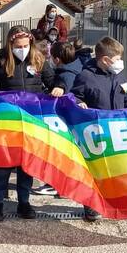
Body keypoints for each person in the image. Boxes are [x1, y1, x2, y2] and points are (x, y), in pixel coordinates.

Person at [0, 25, 65, 223]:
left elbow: (53, 80)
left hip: (31, 122)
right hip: (7, 123)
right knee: (2, 166)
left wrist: (59, 87)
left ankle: (24, 203)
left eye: (26, 45)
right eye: (18, 46)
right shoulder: (0, 61)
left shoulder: (39, 60)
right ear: (11, 45)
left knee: (27, 165)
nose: (23, 49)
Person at [47, 41, 99, 221]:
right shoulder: (79, 66)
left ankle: (70, 191)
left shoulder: (65, 75)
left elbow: (68, 98)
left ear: (57, 59)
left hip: (72, 125)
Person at [71, 36, 127, 111]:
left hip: (117, 124)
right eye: (117, 59)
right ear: (105, 60)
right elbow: (73, 97)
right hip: (97, 126)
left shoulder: (120, 77)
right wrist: (79, 102)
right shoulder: (85, 77)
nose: (120, 62)